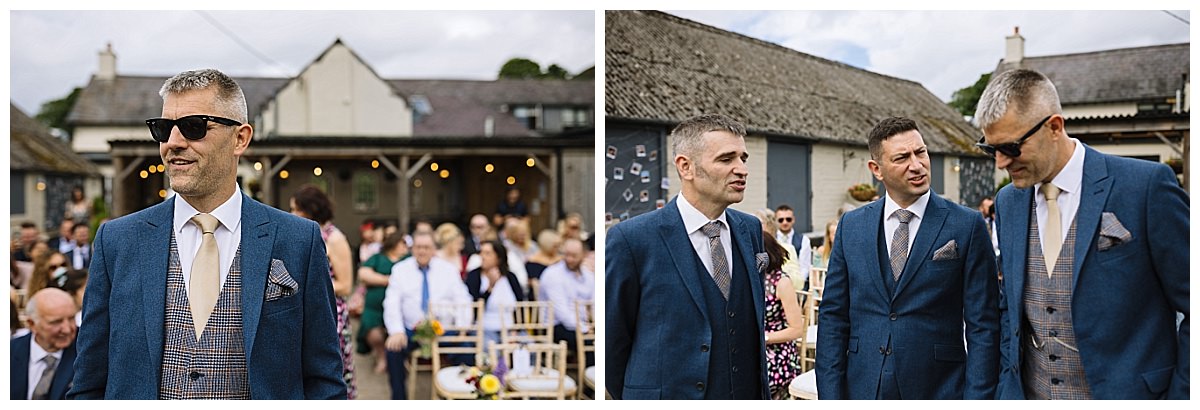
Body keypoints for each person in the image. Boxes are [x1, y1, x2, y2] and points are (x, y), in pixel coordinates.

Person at [69, 68, 345, 399]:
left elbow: (324, 380)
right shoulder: (118, 240)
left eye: (193, 127)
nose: (172, 143)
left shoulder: (299, 239)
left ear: (240, 138)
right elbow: (89, 381)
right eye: (163, 129)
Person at [976, 69, 1189, 399]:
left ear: (1055, 127)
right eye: (992, 149)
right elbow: (1009, 307)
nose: (1001, 162)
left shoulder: (1145, 187)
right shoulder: (1008, 202)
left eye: (1012, 147)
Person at [815, 116, 999, 399]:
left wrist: (977, 400)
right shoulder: (851, 226)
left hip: (941, 389)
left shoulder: (967, 225)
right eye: (902, 157)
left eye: (920, 152)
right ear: (876, 169)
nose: (917, 165)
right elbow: (833, 318)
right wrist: (831, 396)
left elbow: (984, 325)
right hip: (863, 387)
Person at [606, 113, 768, 399]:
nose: (741, 169)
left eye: (743, 159)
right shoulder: (632, 239)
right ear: (686, 167)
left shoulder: (751, 229)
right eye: (726, 159)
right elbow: (613, 341)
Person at [382, 231, 471, 400]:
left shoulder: (448, 270)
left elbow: (463, 299)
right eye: (418, 247)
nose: (422, 251)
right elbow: (391, 302)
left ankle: (461, 396)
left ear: (434, 249)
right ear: (412, 249)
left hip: (444, 330)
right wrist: (396, 331)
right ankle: (399, 399)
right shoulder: (400, 270)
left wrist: (462, 327)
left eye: (426, 247)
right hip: (412, 330)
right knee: (392, 349)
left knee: (467, 348)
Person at [290, 185, 357, 399]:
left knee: (331, 370)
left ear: (310, 209)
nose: (291, 214)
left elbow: (346, 285)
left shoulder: (335, 238)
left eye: (295, 209)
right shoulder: (301, 234)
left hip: (331, 313)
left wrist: (306, 285)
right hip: (305, 310)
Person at [10, 288, 77, 400]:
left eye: (71, 319)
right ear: (32, 324)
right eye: (56, 322)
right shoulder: (10, 352)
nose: (67, 329)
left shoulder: (88, 352)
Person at [760, 232, 804, 400]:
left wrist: (765, 338)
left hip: (777, 353)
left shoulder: (781, 282)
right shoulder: (748, 279)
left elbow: (796, 330)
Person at [357, 232, 408, 374]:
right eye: (402, 243)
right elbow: (364, 274)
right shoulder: (378, 258)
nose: (405, 247)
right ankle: (382, 357)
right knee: (373, 333)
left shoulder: (408, 259)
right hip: (375, 309)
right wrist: (388, 280)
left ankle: (400, 359)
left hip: (401, 309)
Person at [540, 238, 595, 365]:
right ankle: (590, 379)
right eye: (567, 254)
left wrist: (595, 325)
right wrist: (585, 328)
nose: (569, 259)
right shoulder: (552, 274)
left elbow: (594, 304)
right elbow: (562, 313)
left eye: (574, 256)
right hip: (555, 325)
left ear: (584, 255)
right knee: (588, 343)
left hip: (583, 323)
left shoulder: (588, 275)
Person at [465, 240, 526, 346]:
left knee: (528, 346)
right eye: (481, 253)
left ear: (499, 257)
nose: (482, 257)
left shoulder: (510, 277)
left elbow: (520, 305)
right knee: (489, 349)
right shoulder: (473, 276)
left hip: (510, 328)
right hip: (484, 328)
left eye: (487, 253)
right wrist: (490, 287)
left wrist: (516, 330)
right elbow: (474, 307)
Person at [774, 204, 812, 288]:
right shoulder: (772, 239)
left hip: (797, 285)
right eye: (781, 220)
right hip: (775, 284)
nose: (785, 222)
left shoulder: (803, 240)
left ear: (793, 220)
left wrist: (796, 284)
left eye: (788, 219)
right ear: (776, 221)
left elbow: (805, 266)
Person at [525, 229, 562, 300]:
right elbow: (528, 281)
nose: (557, 249)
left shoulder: (561, 260)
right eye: (555, 246)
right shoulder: (532, 261)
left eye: (558, 246)